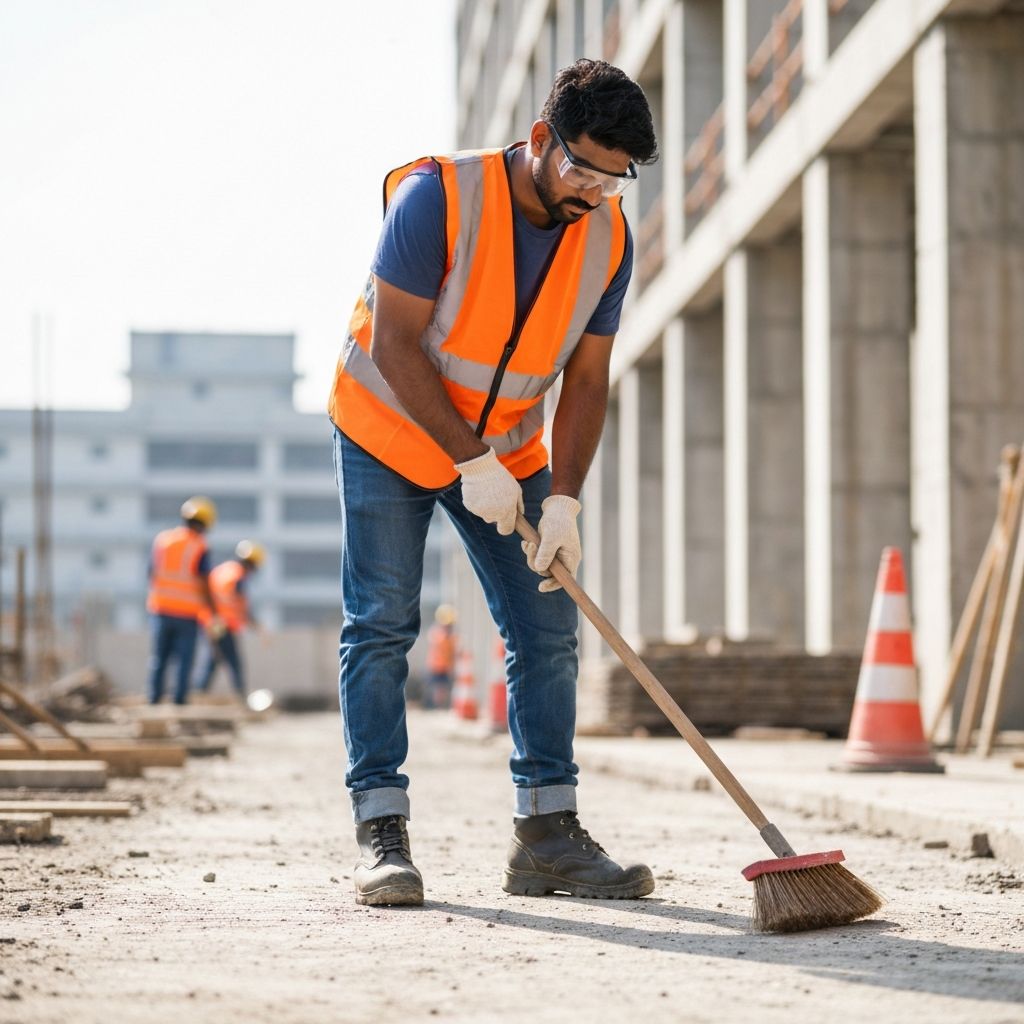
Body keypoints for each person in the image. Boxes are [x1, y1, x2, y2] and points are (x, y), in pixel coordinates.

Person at [327, 58, 659, 907]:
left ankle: (547, 835)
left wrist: (564, 500)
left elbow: (587, 379)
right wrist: (467, 462)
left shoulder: (609, 238)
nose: (594, 194)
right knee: (382, 624)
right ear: (542, 138)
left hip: (508, 447)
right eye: (583, 169)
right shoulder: (438, 199)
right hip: (390, 430)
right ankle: (382, 834)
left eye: (614, 182)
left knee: (548, 626)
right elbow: (394, 345)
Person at [145, 496, 221, 705]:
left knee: (159, 657)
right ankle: (179, 700)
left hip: (160, 608)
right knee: (184, 659)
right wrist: (213, 612)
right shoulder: (199, 546)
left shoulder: (163, 540)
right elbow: (204, 581)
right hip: (187, 613)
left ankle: (154, 698)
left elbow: (151, 573)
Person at [195, 539, 265, 698]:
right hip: (222, 624)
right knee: (233, 661)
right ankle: (240, 695)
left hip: (210, 621)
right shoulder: (238, 577)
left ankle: (199, 691)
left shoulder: (224, 570)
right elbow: (240, 606)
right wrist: (255, 624)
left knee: (214, 658)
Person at [423, 604, 458, 709]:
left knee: (443, 688)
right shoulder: (438, 634)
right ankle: (437, 706)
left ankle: (441, 706)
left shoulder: (450, 636)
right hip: (437, 667)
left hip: (445, 667)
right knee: (439, 688)